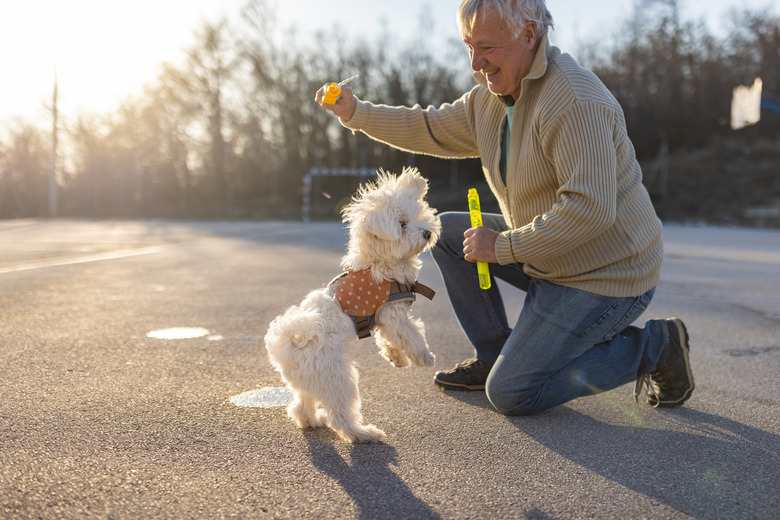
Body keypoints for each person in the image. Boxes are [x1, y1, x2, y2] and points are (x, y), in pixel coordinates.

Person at [315, 0, 694, 416]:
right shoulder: (492, 99)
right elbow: (429, 126)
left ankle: (658, 347)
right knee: (448, 235)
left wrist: (505, 247)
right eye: (468, 46)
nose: (477, 62)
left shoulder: (575, 102)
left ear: (529, 35)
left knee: (514, 392)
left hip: (606, 273)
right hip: (550, 255)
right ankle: (495, 353)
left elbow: (590, 209)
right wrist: (357, 112)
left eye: (487, 47)